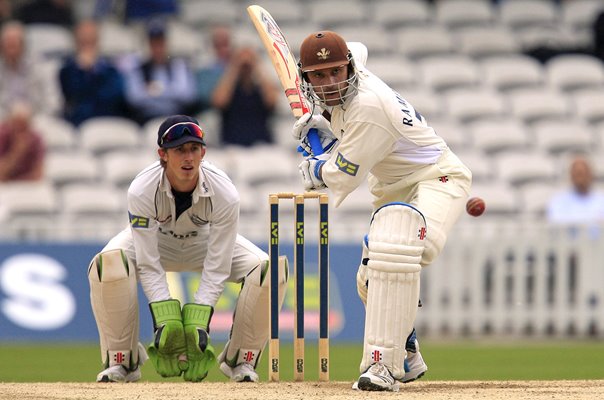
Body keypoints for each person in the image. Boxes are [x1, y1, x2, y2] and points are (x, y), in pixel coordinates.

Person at [293, 31, 472, 391]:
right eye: (319, 75)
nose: (330, 83)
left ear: (348, 68)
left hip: (437, 179)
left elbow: (341, 175)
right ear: (305, 77)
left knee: (398, 246)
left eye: (335, 73)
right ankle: (407, 351)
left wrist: (315, 167)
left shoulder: (370, 108)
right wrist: (326, 122)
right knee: (370, 280)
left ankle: (383, 369)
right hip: (394, 187)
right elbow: (358, 47)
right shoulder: (354, 61)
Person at [88, 114, 287, 383]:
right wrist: (164, 317)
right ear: (163, 154)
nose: (188, 157)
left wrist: (199, 318)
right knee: (106, 265)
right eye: (179, 150)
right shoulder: (141, 190)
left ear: (203, 152)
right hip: (156, 241)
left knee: (268, 271)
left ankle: (241, 361)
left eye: (194, 149)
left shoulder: (225, 192)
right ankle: (122, 362)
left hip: (203, 243)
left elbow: (218, 264)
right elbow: (147, 261)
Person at [123, 19, 198, 125]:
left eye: (160, 43)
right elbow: (134, 98)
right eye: (154, 44)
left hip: (175, 116)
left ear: (166, 43)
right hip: (147, 118)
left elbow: (188, 96)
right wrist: (171, 91)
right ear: (148, 45)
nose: (158, 48)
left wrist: (153, 90)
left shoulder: (178, 66)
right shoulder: (138, 68)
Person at [59, 19, 126, 126]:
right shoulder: (67, 70)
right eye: (83, 40)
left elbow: (114, 96)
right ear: (76, 42)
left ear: (97, 41)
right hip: (78, 123)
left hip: (108, 119)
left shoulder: (111, 69)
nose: (87, 43)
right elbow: (72, 94)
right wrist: (82, 70)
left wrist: (94, 72)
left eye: (91, 40)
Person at [209, 44, 278, 146]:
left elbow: (272, 101)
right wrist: (234, 67)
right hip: (232, 145)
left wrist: (256, 65)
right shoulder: (229, 88)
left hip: (261, 146)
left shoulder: (261, 89)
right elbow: (219, 102)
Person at [0, 21, 47, 118]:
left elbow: (53, 100)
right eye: (8, 44)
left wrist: (31, 117)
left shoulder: (40, 65)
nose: (11, 48)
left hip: (36, 117)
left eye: (14, 44)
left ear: (23, 45)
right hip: (4, 118)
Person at [547, 155, 604, 224]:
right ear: (571, 175)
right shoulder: (558, 203)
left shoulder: (601, 201)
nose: (581, 178)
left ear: (590, 174)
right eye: (577, 174)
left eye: (583, 173)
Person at [0, 102, 45, 181]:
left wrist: (17, 180)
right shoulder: (2, 136)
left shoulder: (36, 139)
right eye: (16, 124)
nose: (20, 130)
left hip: (26, 186)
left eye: (24, 126)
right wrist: (16, 152)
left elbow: (39, 174)